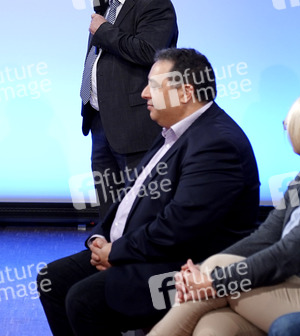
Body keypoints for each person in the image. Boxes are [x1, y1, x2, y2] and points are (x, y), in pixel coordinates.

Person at [41, 48, 259, 335]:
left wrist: (117, 252)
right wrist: (100, 238)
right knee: (52, 280)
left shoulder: (217, 143)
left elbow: (180, 227)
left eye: (153, 86)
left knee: (85, 300)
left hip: (186, 267)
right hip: (143, 251)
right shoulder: (174, 131)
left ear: (185, 93)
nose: (144, 93)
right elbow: (130, 197)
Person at [146, 91, 300, 336]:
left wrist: (211, 281)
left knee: (218, 270)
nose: (286, 128)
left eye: (290, 122)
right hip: (294, 285)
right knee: (215, 326)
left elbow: (287, 255)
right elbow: (265, 237)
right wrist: (200, 272)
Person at [79, 0, 178, 216]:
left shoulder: (154, 2)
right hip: (100, 122)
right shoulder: (105, 3)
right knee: (108, 209)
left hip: (135, 127)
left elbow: (149, 52)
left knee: (139, 211)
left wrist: (104, 31)